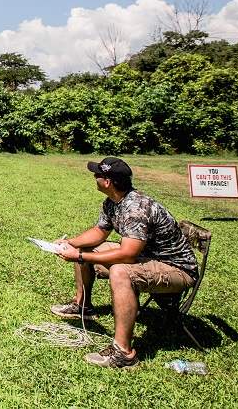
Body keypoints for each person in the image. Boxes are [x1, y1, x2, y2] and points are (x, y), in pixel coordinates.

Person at [51, 156, 198, 368]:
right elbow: (99, 231)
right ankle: (83, 306)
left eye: (97, 174)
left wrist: (80, 257)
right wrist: (71, 244)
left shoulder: (135, 208)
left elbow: (127, 255)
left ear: (107, 182)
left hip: (177, 269)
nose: (94, 177)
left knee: (121, 272)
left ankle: (124, 354)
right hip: (147, 257)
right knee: (83, 250)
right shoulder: (113, 202)